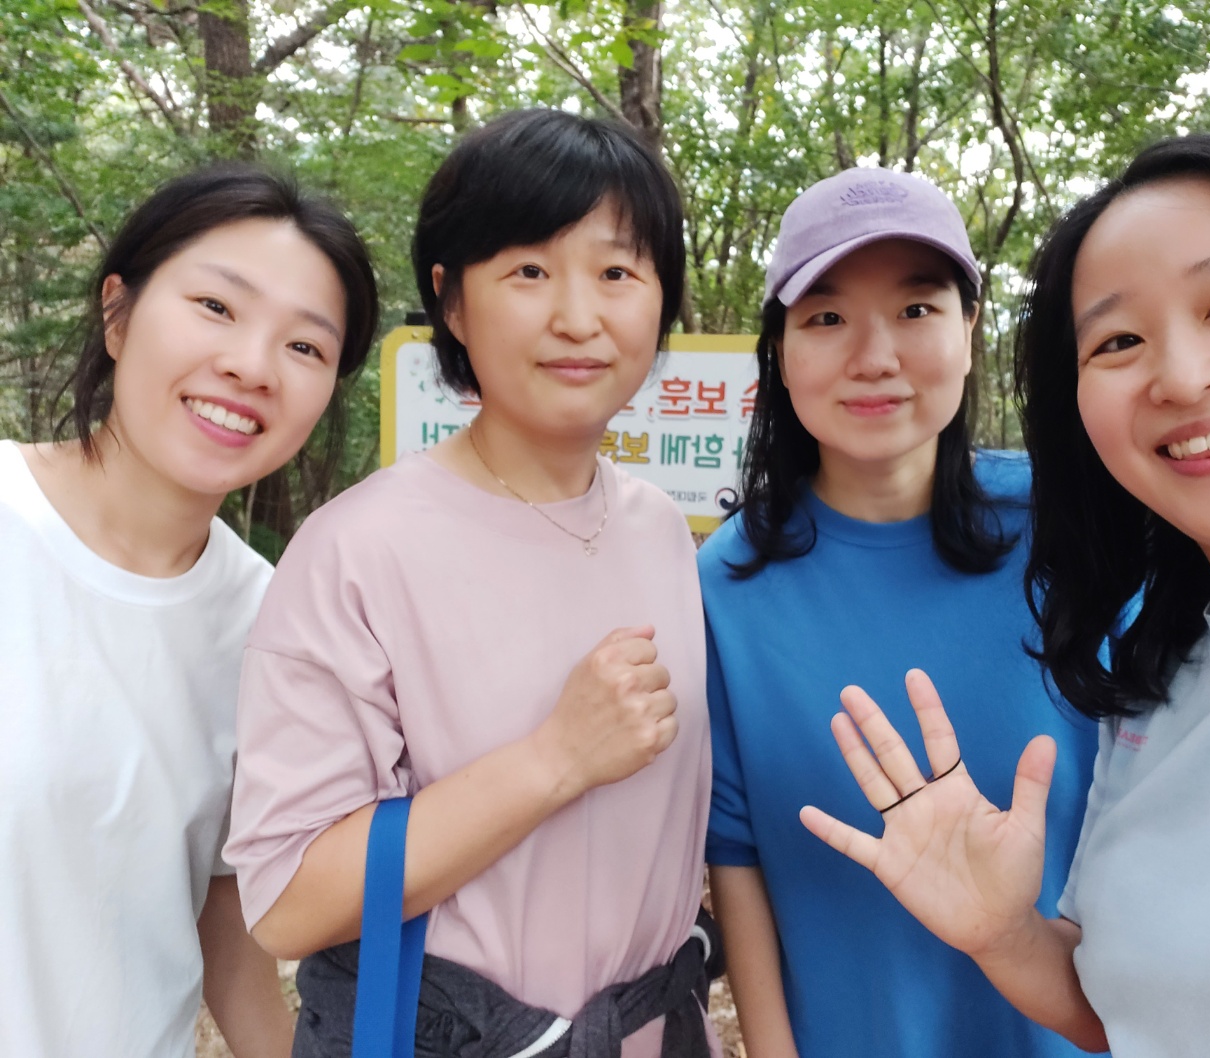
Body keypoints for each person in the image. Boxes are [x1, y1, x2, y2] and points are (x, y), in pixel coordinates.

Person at [802, 134, 1210, 1055]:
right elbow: (1128, 1012)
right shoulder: (1158, 679)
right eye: (1118, 341)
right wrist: (1004, 934)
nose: (1182, 377)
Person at [223, 109, 720, 1058]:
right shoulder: (356, 550)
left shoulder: (659, 528)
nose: (578, 317)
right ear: (451, 301)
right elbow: (288, 900)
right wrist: (554, 759)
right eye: (528, 271)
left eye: (617, 273)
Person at [699, 167, 1099, 1058]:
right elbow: (737, 854)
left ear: (969, 330)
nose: (874, 357)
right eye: (826, 319)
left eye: (916, 309)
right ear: (780, 352)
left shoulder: (1079, 537)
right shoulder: (723, 584)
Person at [0, 164, 379, 1057]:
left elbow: (220, 912)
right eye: (216, 306)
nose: (250, 365)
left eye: (305, 347)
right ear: (118, 314)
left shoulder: (273, 625)